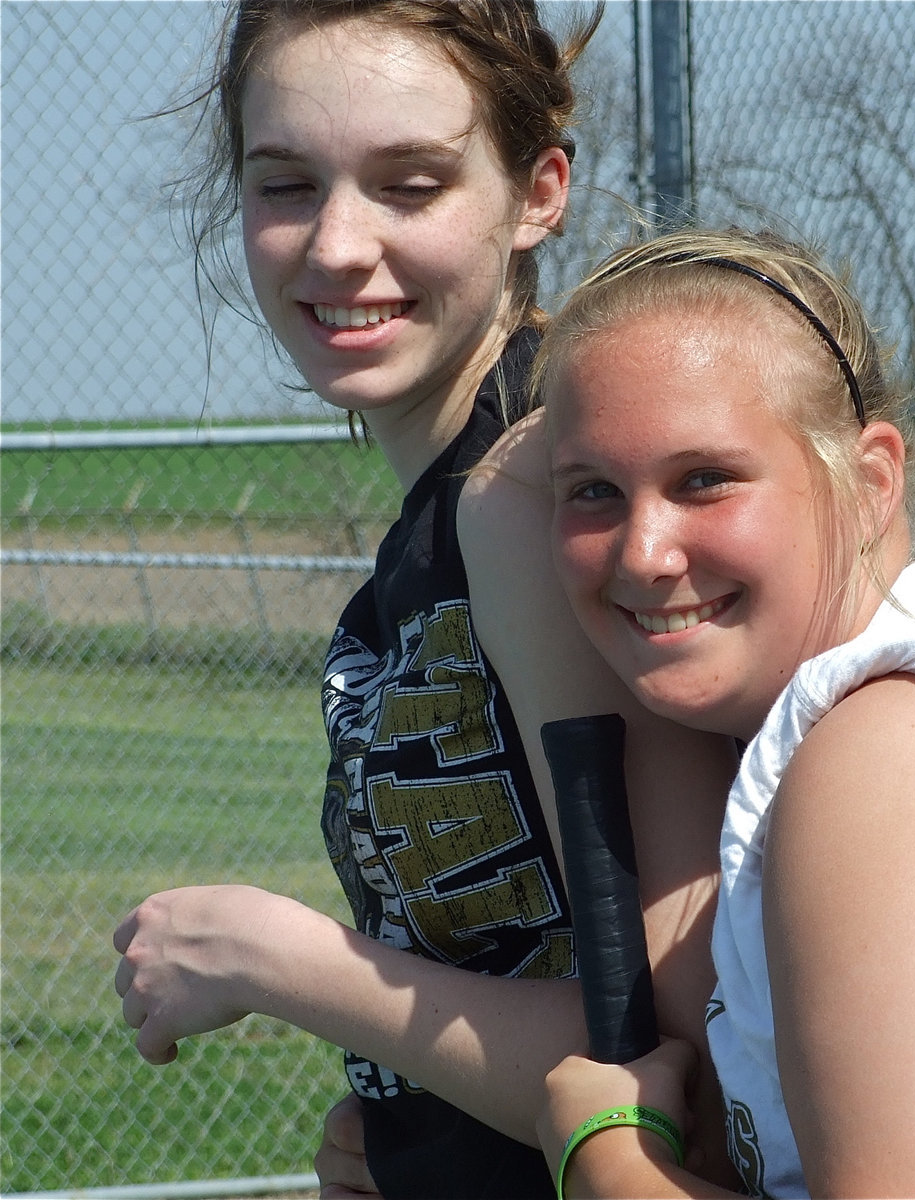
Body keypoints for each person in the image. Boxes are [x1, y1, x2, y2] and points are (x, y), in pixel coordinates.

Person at [112, 4, 739, 1197]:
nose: (337, 246)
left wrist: (271, 958)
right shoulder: (454, 507)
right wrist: (408, 1125)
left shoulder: (526, 494)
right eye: (286, 185)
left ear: (538, 193)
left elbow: (677, 1050)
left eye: (410, 185)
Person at [527, 227, 915, 1199]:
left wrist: (605, 1160)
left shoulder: (876, 754)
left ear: (870, 482)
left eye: (703, 479)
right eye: (592, 491)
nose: (642, 553)